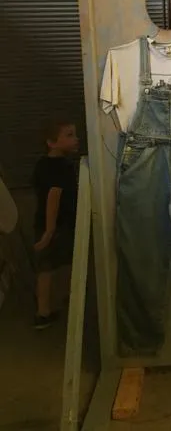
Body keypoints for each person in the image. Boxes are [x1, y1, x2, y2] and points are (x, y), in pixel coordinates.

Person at [33, 120, 79, 329]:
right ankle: (70, 298)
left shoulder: (41, 164)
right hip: (59, 225)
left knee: (45, 268)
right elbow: (54, 195)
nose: (76, 139)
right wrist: (50, 231)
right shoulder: (63, 167)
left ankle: (43, 312)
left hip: (42, 221)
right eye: (69, 135)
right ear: (51, 142)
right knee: (65, 262)